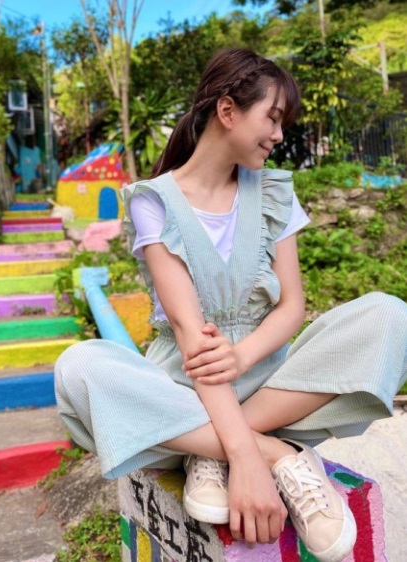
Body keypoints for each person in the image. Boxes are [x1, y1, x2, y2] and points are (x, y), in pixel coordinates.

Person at [54, 48, 407, 561]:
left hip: (267, 386)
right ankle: (277, 450)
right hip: (184, 391)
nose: (279, 134)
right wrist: (250, 457)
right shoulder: (154, 201)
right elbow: (190, 332)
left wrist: (241, 357)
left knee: (390, 314)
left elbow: (291, 307)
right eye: (273, 117)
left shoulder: (274, 193)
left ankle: (206, 449)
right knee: (78, 367)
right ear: (227, 111)